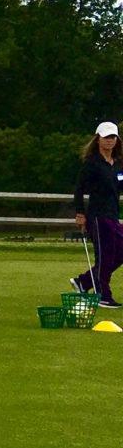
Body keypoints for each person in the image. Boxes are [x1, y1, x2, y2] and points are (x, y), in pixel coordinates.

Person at [72, 118, 123, 309]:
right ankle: (103, 294)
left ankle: (85, 282)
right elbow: (79, 190)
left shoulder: (117, 164)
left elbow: (119, 185)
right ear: (98, 139)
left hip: (112, 215)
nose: (109, 140)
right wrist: (80, 213)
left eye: (113, 137)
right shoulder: (92, 164)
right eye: (106, 137)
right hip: (97, 216)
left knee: (117, 252)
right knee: (105, 256)